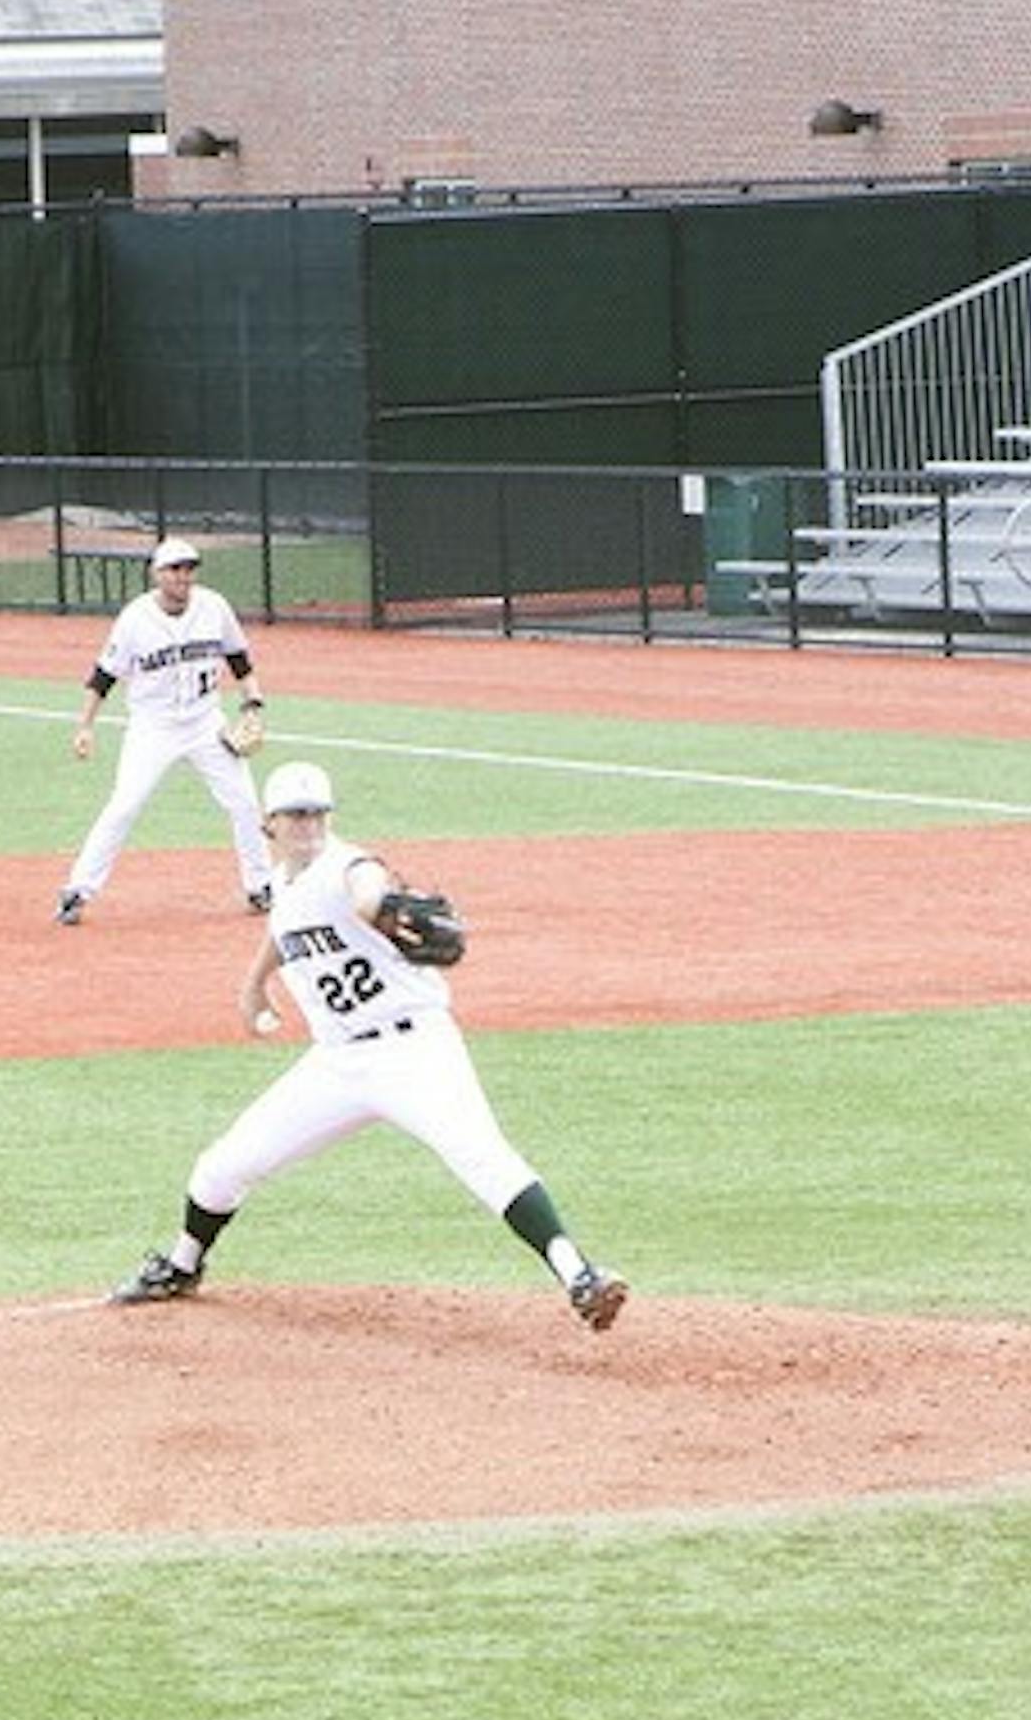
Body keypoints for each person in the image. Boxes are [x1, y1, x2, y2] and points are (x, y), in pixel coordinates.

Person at [109, 759, 628, 1331]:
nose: (308, 824)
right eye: (295, 815)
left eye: (316, 814)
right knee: (222, 1167)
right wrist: (254, 982)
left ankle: (580, 1274)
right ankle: (183, 1266)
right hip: (337, 1062)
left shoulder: (347, 865)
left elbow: (364, 885)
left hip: (416, 1052)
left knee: (482, 1158)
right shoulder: (283, 881)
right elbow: (286, 929)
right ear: (270, 825)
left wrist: (376, 905)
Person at [55, 535, 272, 922]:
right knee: (124, 805)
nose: (183, 577)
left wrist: (253, 705)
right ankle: (77, 891)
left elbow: (240, 662)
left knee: (245, 803)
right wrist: (85, 726)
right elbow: (103, 677)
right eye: (174, 569)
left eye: (189, 569)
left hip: (206, 723)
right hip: (153, 729)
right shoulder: (136, 618)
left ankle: (261, 886)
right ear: (157, 574)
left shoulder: (214, 607)